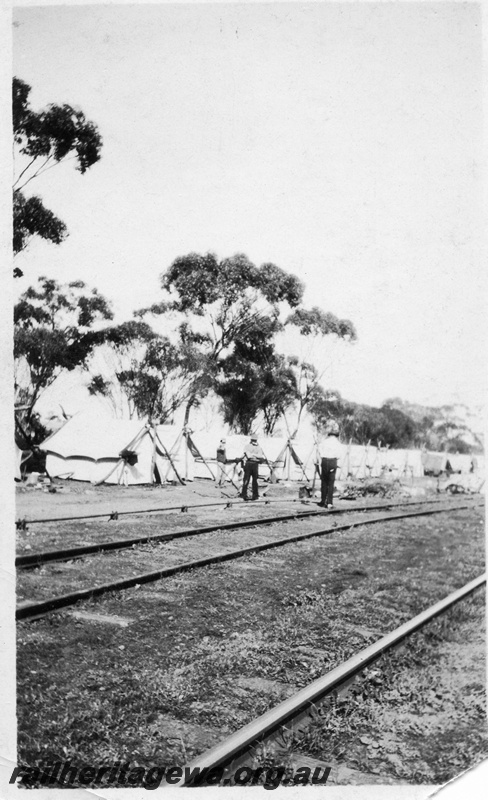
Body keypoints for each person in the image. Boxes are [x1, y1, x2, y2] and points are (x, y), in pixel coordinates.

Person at [316, 421, 343, 508]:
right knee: (331, 483)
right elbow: (339, 455)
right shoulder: (338, 444)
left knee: (324, 482)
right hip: (332, 461)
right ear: (336, 435)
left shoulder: (324, 442)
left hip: (324, 461)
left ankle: (323, 501)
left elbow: (319, 451)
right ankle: (329, 503)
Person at [241, 435, 266, 501]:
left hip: (255, 465)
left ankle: (255, 496)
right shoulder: (247, 446)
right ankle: (244, 495)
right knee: (246, 480)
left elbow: (260, 456)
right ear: (251, 440)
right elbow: (248, 456)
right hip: (249, 464)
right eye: (253, 440)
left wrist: (253, 455)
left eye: (255, 440)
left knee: (255, 481)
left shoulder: (259, 447)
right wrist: (256, 456)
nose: (254, 442)